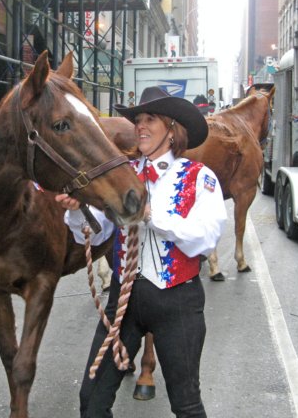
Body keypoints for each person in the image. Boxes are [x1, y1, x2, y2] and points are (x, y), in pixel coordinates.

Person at [56, 86, 227, 418]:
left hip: (177, 300)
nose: (140, 126)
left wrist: (151, 216)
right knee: (91, 403)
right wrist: (79, 210)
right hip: (125, 300)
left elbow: (205, 238)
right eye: (138, 120)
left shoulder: (198, 177)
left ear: (172, 129)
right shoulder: (123, 176)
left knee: (187, 406)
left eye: (150, 119)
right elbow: (96, 234)